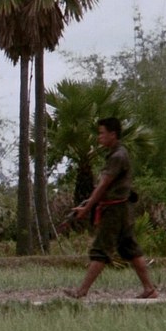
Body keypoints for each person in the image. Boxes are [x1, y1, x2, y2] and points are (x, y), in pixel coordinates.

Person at [64, 117, 158, 299]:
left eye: (102, 133)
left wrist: (87, 208)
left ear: (113, 134)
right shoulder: (117, 154)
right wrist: (89, 203)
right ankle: (149, 289)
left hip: (115, 210)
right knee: (130, 248)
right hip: (122, 208)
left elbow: (103, 185)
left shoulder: (117, 156)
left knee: (101, 249)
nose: (99, 137)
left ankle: (81, 291)